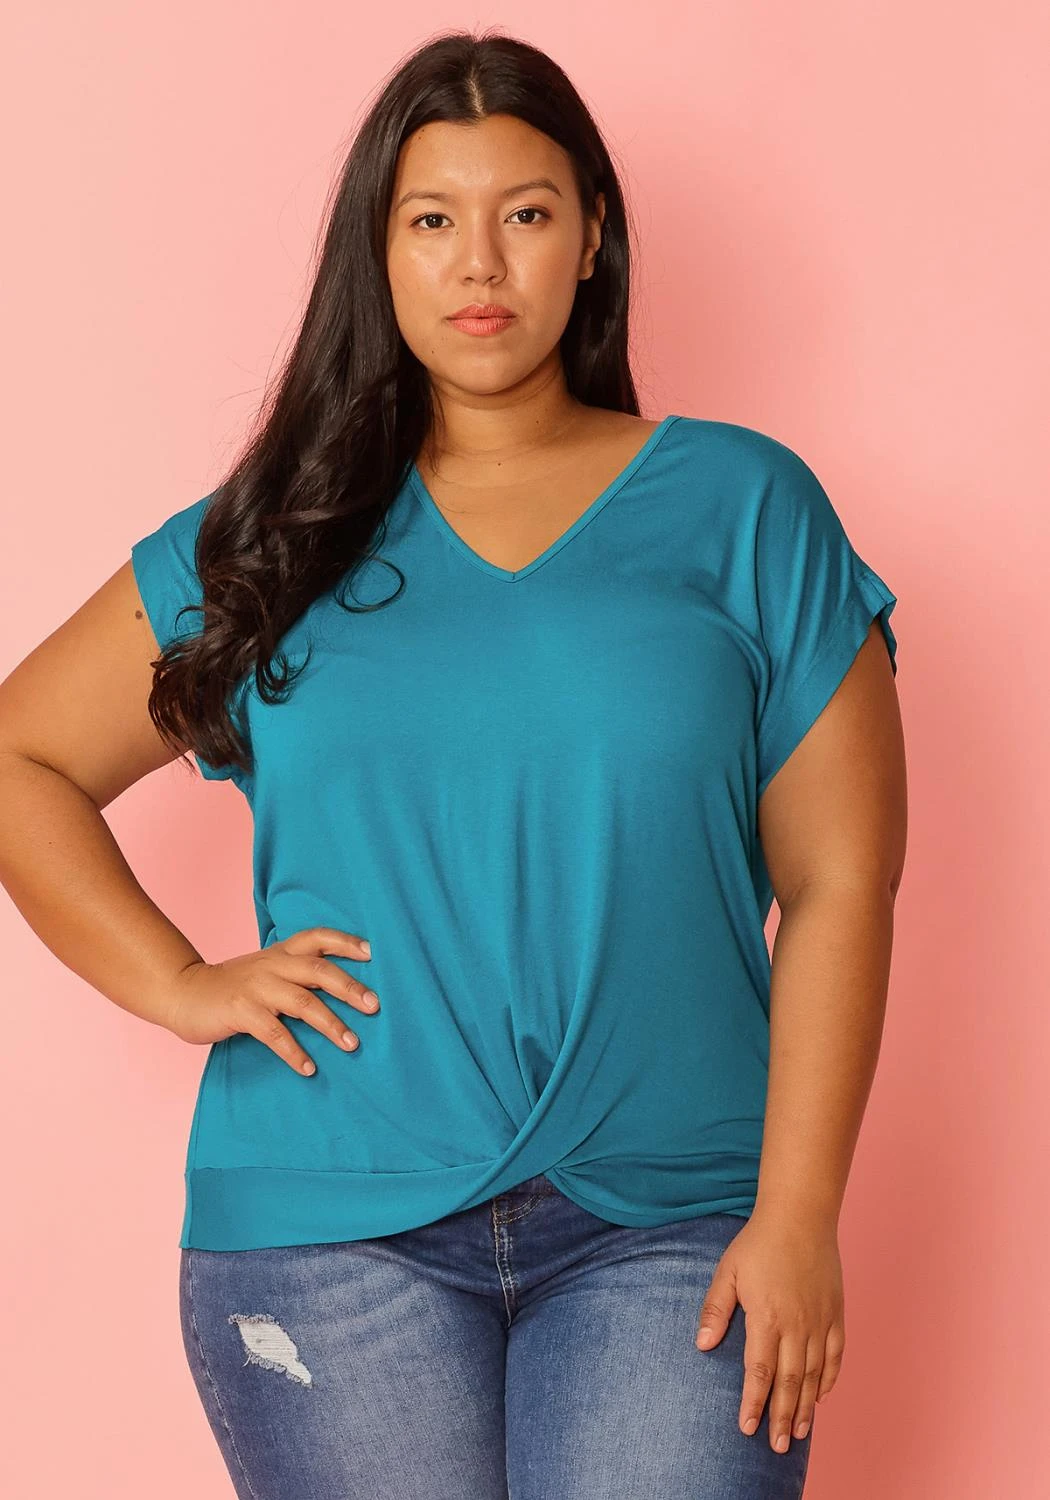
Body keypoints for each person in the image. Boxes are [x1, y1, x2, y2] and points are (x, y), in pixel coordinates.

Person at [0, 27, 906, 1500]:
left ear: (592, 237)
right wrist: (179, 983)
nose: (479, 264)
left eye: (525, 213)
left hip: (675, 1223)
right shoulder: (275, 534)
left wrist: (799, 1214)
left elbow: (842, 879)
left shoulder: (747, 507)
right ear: (379, 249)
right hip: (324, 1230)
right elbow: (22, 755)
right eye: (432, 220)